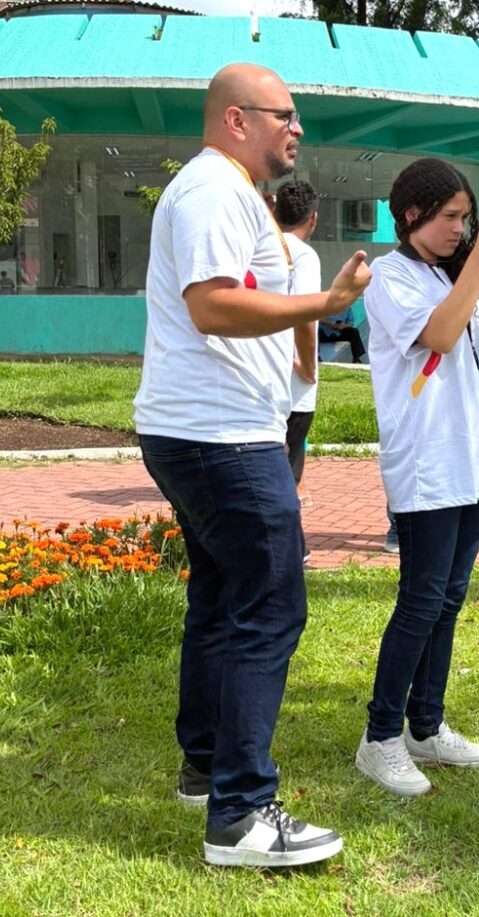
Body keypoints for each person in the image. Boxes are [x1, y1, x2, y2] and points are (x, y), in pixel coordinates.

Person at [133, 62, 371, 869]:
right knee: (269, 606)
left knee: (221, 596)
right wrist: (327, 306)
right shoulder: (208, 191)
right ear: (237, 119)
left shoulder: (236, 195)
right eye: (285, 115)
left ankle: (205, 765)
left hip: (213, 431)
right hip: (219, 437)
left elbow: (246, 291)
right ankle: (239, 813)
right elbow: (212, 305)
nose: (297, 129)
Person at [353, 158, 479, 797]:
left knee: (449, 598)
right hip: (428, 462)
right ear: (410, 215)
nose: (461, 229)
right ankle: (380, 738)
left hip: (473, 461)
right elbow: (438, 331)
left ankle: (426, 726)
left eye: (467, 219)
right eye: (450, 217)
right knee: (420, 598)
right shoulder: (390, 276)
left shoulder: (461, 277)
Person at [274, 179, 321, 516]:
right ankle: (292, 547)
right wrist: (307, 364)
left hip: (260, 375)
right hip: (292, 377)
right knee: (289, 466)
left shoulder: (261, 248)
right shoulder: (303, 256)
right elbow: (305, 316)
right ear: (313, 219)